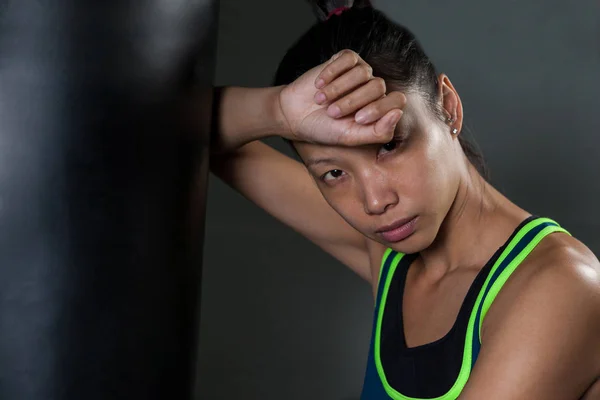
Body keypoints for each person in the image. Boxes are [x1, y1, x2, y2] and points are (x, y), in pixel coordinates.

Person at [209, 1, 600, 398]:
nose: (374, 201)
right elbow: (184, 130)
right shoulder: (388, 255)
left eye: (389, 145)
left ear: (447, 106)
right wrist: (277, 111)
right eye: (334, 173)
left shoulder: (562, 286)